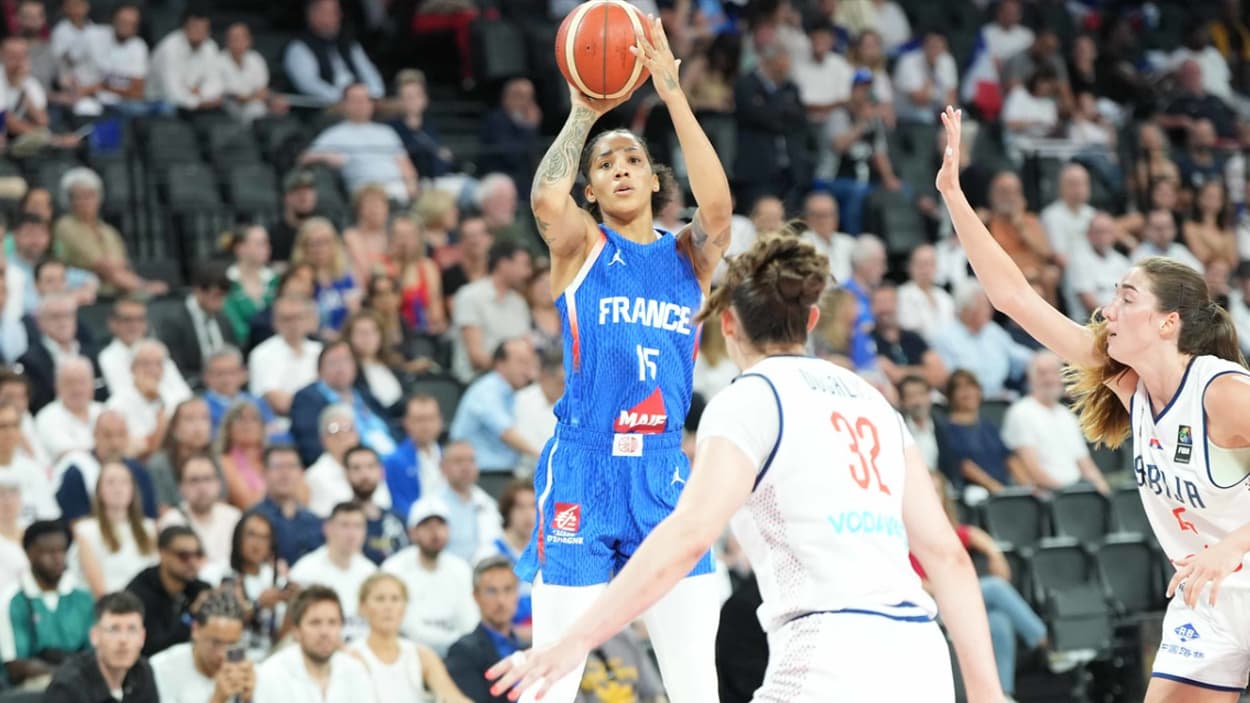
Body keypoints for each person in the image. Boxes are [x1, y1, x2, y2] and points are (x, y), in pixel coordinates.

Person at [487, 233, 1003, 702]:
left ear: (727, 323)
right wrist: (986, 692)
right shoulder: (875, 403)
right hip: (922, 655)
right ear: (812, 320)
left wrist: (571, 641)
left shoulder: (750, 399)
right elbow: (948, 559)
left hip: (829, 653)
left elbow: (687, 536)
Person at [937, 104, 1250, 700]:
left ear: (1167, 323)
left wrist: (1233, 546)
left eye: (1126, 297)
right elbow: (1014, 299)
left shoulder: (1221, 391)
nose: (1108, 309)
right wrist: (954, 194)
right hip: (1206, 598)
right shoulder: (1130, 385)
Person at [517, 18, 734, 701]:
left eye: (632, 159)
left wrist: (672, 92)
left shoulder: (687, 255)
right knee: (554, 673)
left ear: (653, 178)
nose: (618, 168)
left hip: (665, 471)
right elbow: (546, 200)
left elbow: (721, 209)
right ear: (593, 190)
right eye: (605, 164)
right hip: (585, 463)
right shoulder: (581, 248)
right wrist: (585, 112)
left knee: (695, 683)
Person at [347, 572, 471, 703]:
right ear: (362, 606)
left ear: (405, 606)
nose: (388, 607)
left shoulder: (422, 655)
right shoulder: (351, 656)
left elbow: (453, 697)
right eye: (380, 599)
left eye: (395, 599)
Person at [0, 520, 94, 688]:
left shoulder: (83, 596)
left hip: (81, 680)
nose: (58, 559)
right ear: (29, 553)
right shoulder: (12, 600)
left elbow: (94, 653)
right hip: (29, 689)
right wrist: (63, 672)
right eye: (49, 552)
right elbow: (14, 665)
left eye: (62, 551)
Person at [380, 496, 477, 656]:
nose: (435, 532)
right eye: (426, 526)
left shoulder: (461, 568)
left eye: (440, 525)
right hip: (408, 652)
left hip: (456, 653)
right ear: (412, 533)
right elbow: (405, 626)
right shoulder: (393, 569)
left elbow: (469, 621)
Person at [252, 586, 373, 703]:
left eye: (332, 622)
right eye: (315, 623)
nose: (324, 632)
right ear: (296, 631)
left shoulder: (355, 670)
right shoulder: (270, 674)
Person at [43, 591, 158, 703]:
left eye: (132, 629)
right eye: (114, 629)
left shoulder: (143, 672)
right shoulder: (67, 687)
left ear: (142, 637)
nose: (123, 640)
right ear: (94, 636)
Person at [287, 501, 376, 642]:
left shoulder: (371, 572)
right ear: (327, 528)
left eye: (358, 526)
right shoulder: (305, 571)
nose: (352, 533)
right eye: (345, 525)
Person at [70, 461, 158, 597]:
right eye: (110, 482)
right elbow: (97, 589)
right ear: (99, 491)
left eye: (124, 482)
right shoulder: (86, 530)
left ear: (133, 489)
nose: (118, 489)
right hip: (108, 607)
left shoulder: (150, 528)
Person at [150, 590, 255, 703]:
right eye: (216, 643)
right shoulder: (161, 669)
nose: (223, 654)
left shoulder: (245, 668)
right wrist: (217, 700)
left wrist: (248, 700)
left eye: (232, 644)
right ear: (195, 630)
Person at [445, 555, 525, 702]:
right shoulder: (462, 652)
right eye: (491, 591)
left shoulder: (531, 647)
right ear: (476, 596)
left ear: (517, 593)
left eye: (508, 589)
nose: (501, 600)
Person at [125, 525, 212, 656]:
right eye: (184, 556)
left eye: (198, 555)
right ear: (162, 553)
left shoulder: (200, 589)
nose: (192, 562)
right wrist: (192, 615)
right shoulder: (138, 594)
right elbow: (154, 647)